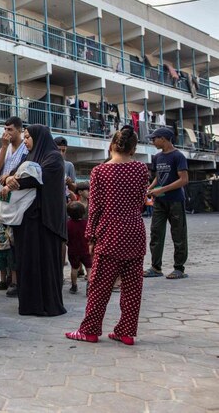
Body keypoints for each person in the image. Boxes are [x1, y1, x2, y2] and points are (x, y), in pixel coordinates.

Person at [66, 126, 149, 345]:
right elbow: (141, 203)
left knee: (99, 286)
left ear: (112, 145)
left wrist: (90, 237)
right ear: (133, 149)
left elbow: (94, 209)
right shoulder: (141, 170)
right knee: (132, 287)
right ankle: (126, 332)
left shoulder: (100, 172)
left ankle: (90, 330)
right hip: (135, 231)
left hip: (110, 233)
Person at [2, 124, 67, 317]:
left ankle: (47, 304)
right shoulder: (27, 156)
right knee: (28, 261)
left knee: (44, 261)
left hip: (45, 221)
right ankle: (31, 304)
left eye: (28, 137)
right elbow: (8, 175)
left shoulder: (53, 158)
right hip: (27, 221)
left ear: (39, 138)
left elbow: (39, 179)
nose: (26, 141)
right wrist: (9, 180)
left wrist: (16, 182)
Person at [143, 127, 189, 279]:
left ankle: (179, 268)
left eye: (154, 138)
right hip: (159, 201)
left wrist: (162, 188)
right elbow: (158, 176)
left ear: (163, 138)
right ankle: (156, 267)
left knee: (178, 234)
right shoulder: (157, 157)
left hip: (175, 200)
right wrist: (149, 189)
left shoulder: (178, 156)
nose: (152, 141)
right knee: (156, 232)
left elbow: (183, 180)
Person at [0, 116, 27, 296]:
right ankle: (3, 278)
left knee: (13, 239)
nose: (7, 133)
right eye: (5, 129)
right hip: (2, 199)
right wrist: (4, 147)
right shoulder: (5, 148)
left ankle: (15, 280)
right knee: (1, 239)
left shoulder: (25, 148)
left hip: (16, 199)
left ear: (20, 130)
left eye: (10, 129)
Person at [67, 201, 91, 295]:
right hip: (85, 250)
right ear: (83, 212)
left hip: (73, 250)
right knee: (89, 268)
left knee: (74, 268)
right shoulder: (86, 223)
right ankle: (89, 285)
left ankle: (74, 286)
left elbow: (66, 238)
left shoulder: (68, 224)